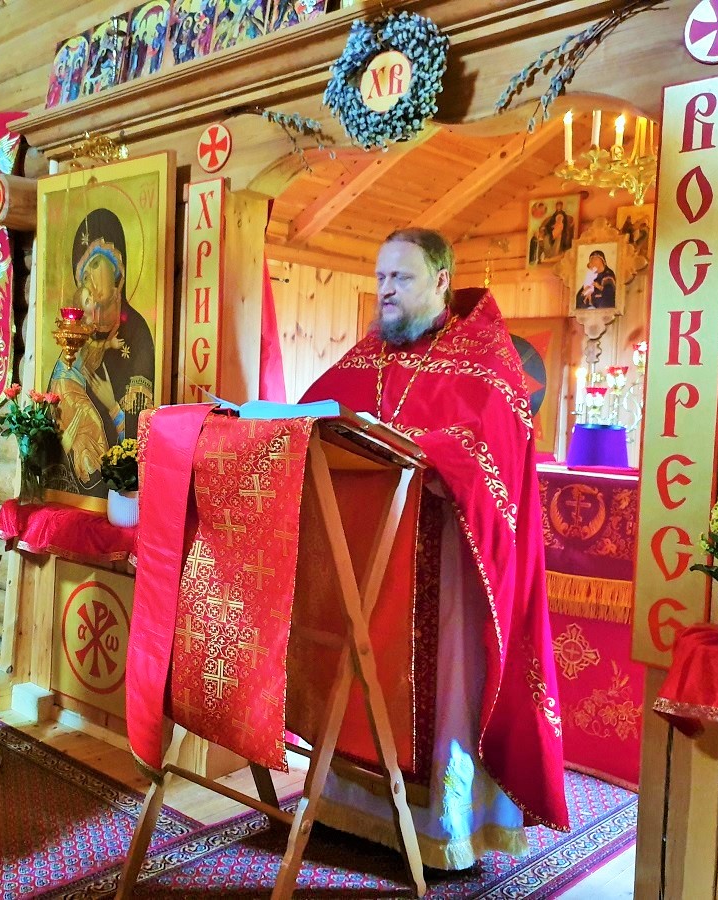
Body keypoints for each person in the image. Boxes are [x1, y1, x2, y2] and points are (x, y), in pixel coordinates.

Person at [299, 228, 569, 868]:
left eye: (401, 278)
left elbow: (495, 454)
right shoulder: (368, 356)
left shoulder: (486, 361)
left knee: (441, 685)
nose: (386, 291)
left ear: (441, 281)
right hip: (366, 554)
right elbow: (313, 413)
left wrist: (428, 452)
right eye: (381, 278)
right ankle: (349, 807)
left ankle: (445, 827)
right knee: (360, 675)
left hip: (447, 563)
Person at [47, 208, 155, 495]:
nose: (90, 280)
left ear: (117, 265)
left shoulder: (137, 334)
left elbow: (143, 428)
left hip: (122, 495)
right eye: (84, 275)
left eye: (95, 265)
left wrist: (113, 406)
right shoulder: (77, 339)